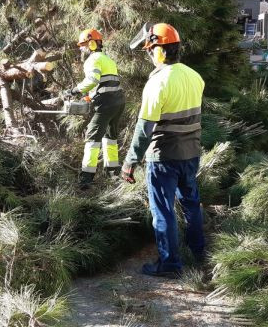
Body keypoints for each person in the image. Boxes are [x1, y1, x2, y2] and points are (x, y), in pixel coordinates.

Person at [121, 23, 205, 278]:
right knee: (191, 204)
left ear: (159, 50)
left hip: (164, 157)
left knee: (163, 210)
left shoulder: (157, 83)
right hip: (191, 153)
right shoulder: (194, 76)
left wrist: (130, 162)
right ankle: (197, 253)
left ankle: (169, 264)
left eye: (150, 50)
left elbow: (144, 129)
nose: (149, 55)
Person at [65, 29, 126, 189]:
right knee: (110, 136)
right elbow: (105, 83)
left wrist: (74, 90)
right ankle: (113, 173)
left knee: (92, 138)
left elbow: (93, 80)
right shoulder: (107, 59)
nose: (81, 49)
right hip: (118, 102)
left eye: (83, 45)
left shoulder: (92, 59)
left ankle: (86, 179)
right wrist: (89, 95)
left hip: (105, 104)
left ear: (91, 43)